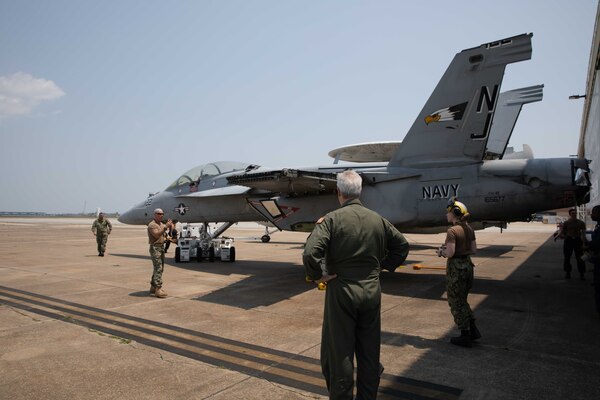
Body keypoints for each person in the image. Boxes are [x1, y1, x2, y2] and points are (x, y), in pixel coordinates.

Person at [303, 170, 409, 400]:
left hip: (341, 292)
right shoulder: (377, 219)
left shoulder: (331, 220)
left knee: (340, 352)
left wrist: (317, 276)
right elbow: (402, 246)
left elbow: (311, 253)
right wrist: (382, 266)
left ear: (338, 192)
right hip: (371, 291)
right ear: (359, 191)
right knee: (369, 352)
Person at [436, 198, 481, 348]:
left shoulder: (452, 231)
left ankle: (465, 335)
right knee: (463, 299)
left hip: (456, 268)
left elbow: (450, 253)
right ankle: (473, 329)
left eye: (448, 212)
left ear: (455, 213)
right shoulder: (469, 228)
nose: (446, 214)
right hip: (468, 265)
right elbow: (473, 249)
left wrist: (441, 252)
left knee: (455, 301)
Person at [147, 208, 173, 298]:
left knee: (159, 268)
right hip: (155, 248)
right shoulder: (152, 225)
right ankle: (158, 289)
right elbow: (157, 234)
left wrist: (170, 228)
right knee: (158, 267)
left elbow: (164, 234)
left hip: (161, 247)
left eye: (162, 214)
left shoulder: (161, 224)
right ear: (155, 215)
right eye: (159, 213)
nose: (161, 215)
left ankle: (153, 287)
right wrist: (165, 227)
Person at [558, 208, 587, 280]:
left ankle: (582, 274)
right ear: (570, 214)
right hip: (569, 240)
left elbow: (583, 234)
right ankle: (568, 273)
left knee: (580, 258)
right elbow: (562, 231)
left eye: (575, 213)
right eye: (572, 213)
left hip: (577, 240)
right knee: (567, 257)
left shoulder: (581, 223)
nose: (574, 214)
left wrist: (583, 243)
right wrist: (558, 236)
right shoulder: (566, 223)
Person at [588, 205, 600, 317]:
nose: (591, 215)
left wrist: (588, 245)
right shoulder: (598, 226)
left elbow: (597, 244)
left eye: (593, 212)